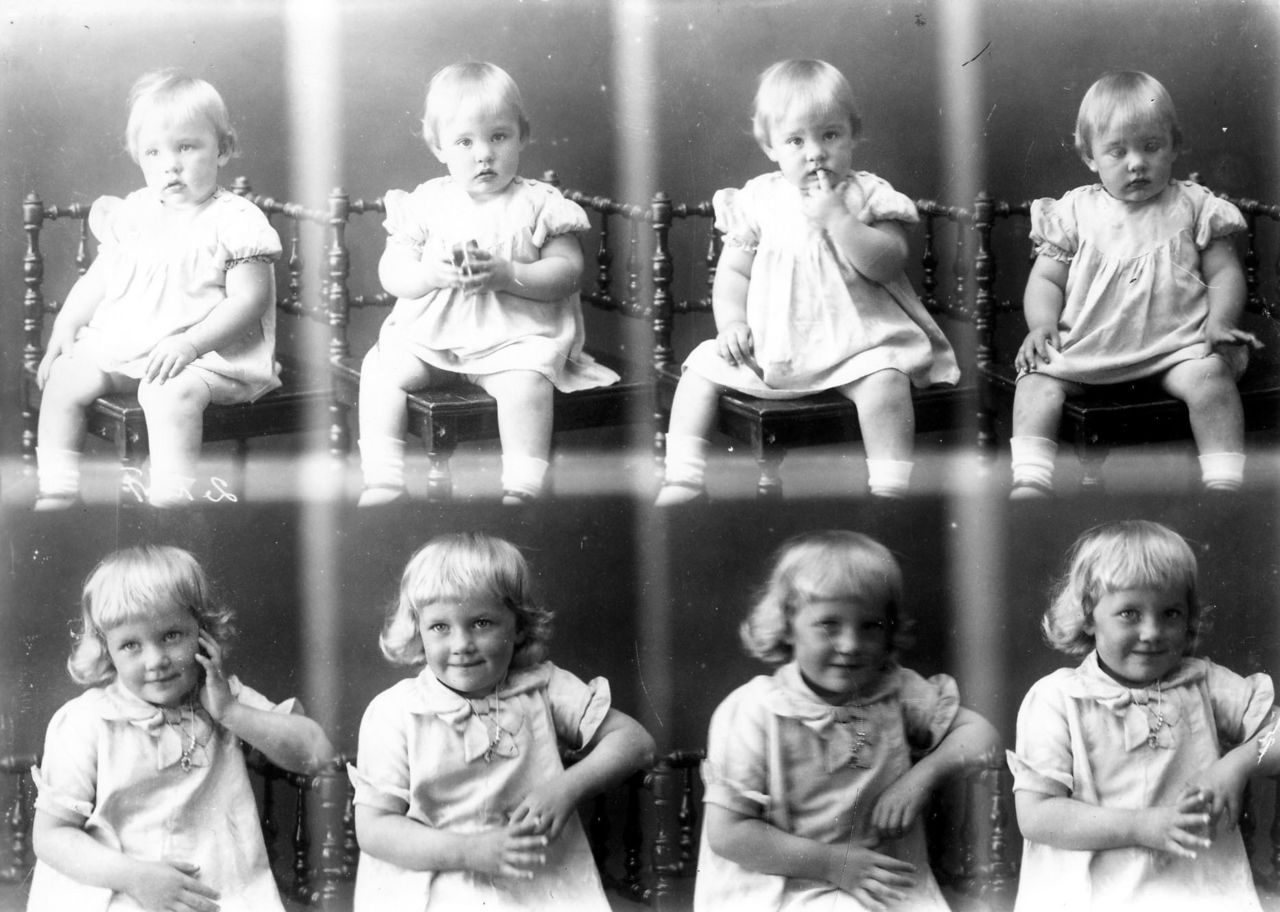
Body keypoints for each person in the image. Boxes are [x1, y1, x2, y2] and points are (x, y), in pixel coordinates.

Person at [657, 59, 959, 504]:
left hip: (858, 345)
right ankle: (683, 478)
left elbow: (888, 262)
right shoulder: (760, 199)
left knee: (886, 381)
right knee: (699, 369)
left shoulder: (867, 194)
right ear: (770, 146)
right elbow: (734, 273)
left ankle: (891, 490)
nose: (815, 153)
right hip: (775, 349)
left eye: (830, 135)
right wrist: (732, 323)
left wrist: (840, 221)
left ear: (854, 134)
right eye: (796, 140)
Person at [348, 532, 656, 910]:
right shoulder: (395, 712)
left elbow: (635, 742)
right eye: (440, 626)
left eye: (481, 623)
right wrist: (467, 851)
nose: (461, 645)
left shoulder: (542, 687)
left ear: (519, 626)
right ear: (418, 631)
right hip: (434, 881)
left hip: (538, 880)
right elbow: (374, 828)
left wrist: (567, 787)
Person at [695, 531, 1000, 911]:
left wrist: (922, 777)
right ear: (788, 624)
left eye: (870, 625)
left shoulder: (897, 691)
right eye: (829, 625)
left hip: (880, 881)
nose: (851, 645)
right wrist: (833, 864)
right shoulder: (755, 709)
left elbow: (982, 734)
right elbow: (728, 834)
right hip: (778, 885)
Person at [357, 62, 617, 506]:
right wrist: (428, 274)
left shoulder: (539, 203)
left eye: (498, 136)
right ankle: (383, 479)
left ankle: (522, 486)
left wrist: (507, 274)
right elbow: (392, 271)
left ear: (523, 136)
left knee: (526, 385)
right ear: (438, 147)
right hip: (433, 339)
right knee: (381, 369)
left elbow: (568, 272)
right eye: (465, 141)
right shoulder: (427, 202)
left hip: (514, 341)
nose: (484, 154)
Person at [28, 546, 334, 912]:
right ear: (107, 651)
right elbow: (51, 835)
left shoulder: (225, 696)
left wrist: (230, 712)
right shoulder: (87, 720)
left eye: (172, 635)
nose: (156, 660)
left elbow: (318, 754)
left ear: (203, 632)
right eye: (131, 645)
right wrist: (134, 878)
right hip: (118, 888)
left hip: (219, 893)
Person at [35, 70, 283, 509]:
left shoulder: (236, 221)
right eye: (153, 152)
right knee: (65, 377)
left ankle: (169, 500)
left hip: (207, 354)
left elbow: (249, 300)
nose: (170, 164)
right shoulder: (136, 213)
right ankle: (57, 490)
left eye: (186, 147)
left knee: (167, 394)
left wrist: (190, 344)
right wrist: (68, 321)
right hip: (132, 345)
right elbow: (101, 276)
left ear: (223, 149)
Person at [1010, 521, 1280, 911]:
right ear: (1089, 615)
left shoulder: (1204, 683)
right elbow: (1037, 816)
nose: (1152, 632)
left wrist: (1236, 765)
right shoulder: (1057, 698)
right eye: (1129, 613)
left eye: (1170, 613)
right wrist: (1141, 826)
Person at [1010, 71, 1257, 496]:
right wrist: (1041, 324)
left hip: (1176, 347)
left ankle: (1224, 483)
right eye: (1117, 151)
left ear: (1175, 145)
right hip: (1090, 350)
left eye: (1151, 147)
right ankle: (1031, 478)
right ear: (1090, 156)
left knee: (1212, 380)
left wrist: (1220, 321)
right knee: (1035, 382)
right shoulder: (1075, 212)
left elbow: (1225, 273)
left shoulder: (1194, 205)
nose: (1136, 163)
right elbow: (1046, 279)